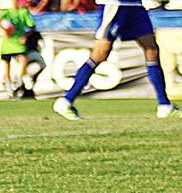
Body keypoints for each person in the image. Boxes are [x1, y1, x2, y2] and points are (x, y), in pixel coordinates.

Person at [53, 0, 181, 119]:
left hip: (135, 5)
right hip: (115, 4)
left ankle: (164, 105)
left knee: (151, 49)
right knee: (100, 53)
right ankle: (66, 101)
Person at [0, 0, 34, 98]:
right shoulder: (6, 13)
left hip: (18, 42)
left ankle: (19, 81)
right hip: (7, 43)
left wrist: (25, 36)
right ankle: (9, 87)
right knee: (7, 65)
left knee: (23, 59)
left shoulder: (23, 12)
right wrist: (3, 30)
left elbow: (32, 27)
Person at [20, 28, 46, 98]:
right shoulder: (23, 32)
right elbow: (42, 45)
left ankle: (27, 88)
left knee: (28, 73)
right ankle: (26, 88)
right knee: (26, 73)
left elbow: (42, 44)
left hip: (29, 54)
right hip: (29, 54)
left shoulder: (35, 34)